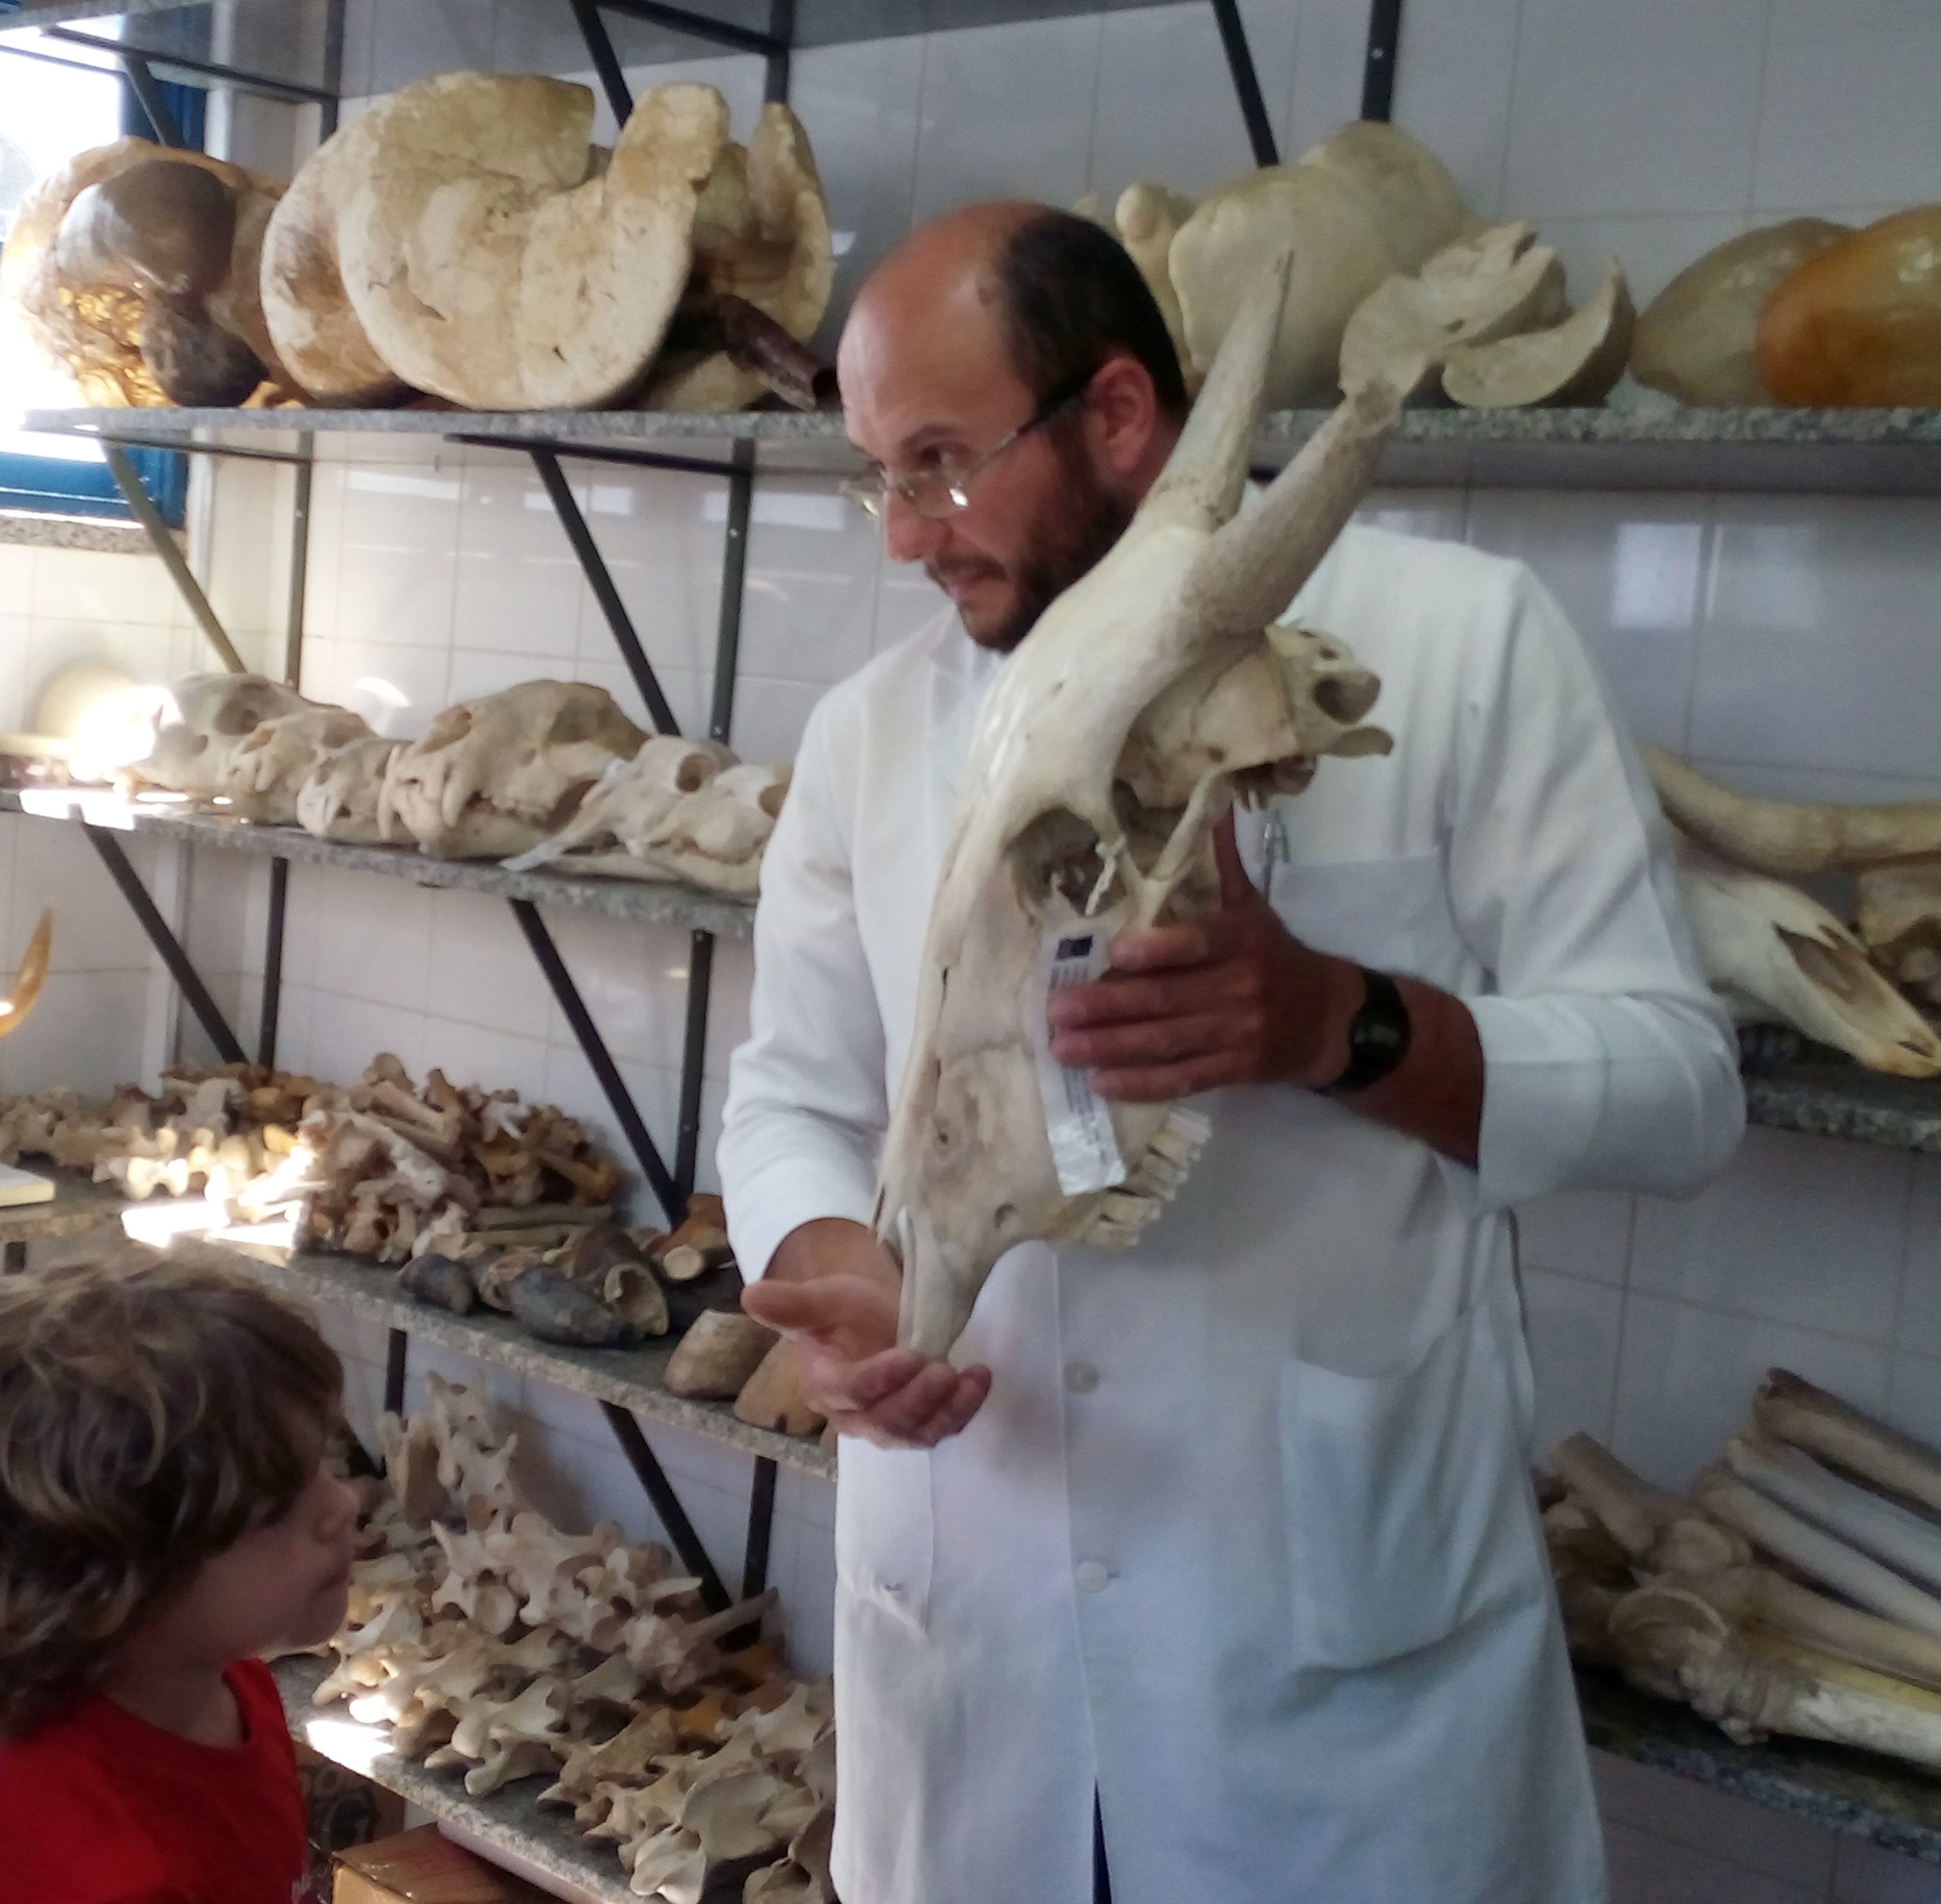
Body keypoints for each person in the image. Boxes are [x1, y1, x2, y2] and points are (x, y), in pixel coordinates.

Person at [721, 203, 1745, 1904]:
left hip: (1329, 1675)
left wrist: (1340, 1021)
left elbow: (1678, 1086)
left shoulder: (1465, 640)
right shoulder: (870, 733)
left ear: (1118, 414)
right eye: (877, 475)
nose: (904, 535)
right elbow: (791, 1090)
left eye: (943, 465)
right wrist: (833, 1264)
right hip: (974, 1660)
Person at [0, 1245, 357, 1904]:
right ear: (109, 1586)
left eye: (323, 1463)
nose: (342, 1505)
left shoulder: (231, 1688)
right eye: (276, 1506)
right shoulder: (113, 1871)